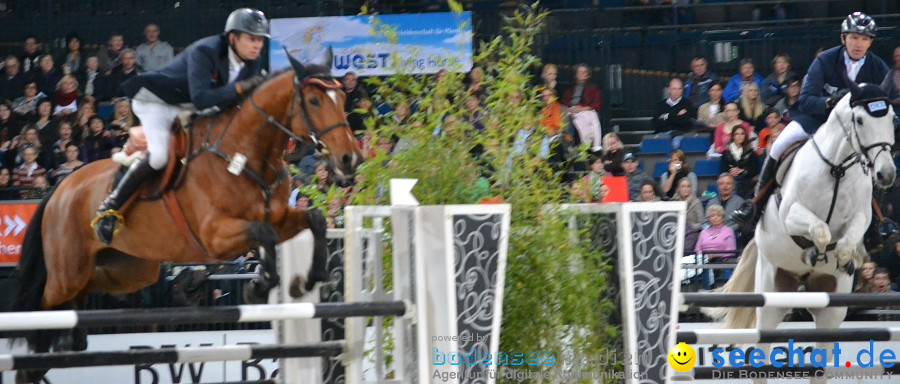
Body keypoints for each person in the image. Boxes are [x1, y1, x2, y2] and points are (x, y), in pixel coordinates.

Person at [92, 8, 270, 244]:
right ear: (232, 37)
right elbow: (202, 98)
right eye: (251, 38)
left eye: (259, 40)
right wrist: (240, 88)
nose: (257, 45)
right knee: (159, 157)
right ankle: (109, 207)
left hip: (188, 107)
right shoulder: (205, 51)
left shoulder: (251, 61)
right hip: (156, 101)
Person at [734, 12, 898, 229]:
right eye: (854, 38)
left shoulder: (878, 67)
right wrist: (830, 102)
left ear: (870, 42)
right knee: (781, 143)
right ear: (843, 38)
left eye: (864, 39)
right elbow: (806, 100)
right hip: (817, 122)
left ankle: (879, 222)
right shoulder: (824, 61)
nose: (859, 44)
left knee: (879, 158)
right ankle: (756, 204)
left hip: (855, 132)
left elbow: (890, 100)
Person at [654, 77, 695, 149]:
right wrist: (675, 115)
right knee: (643, 144)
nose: (677, 91)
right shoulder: (660, 105)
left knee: (675, 144)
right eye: (674, 89)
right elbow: (655, 123)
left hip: (679, 134)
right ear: (669, 89)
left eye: (679, 89)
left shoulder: (687, 104)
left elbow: (682, 121)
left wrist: (666, 116)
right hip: (662, 133)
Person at [721, 125, 758, 199]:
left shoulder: (751, 153)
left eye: (742, 134)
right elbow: (722, 170)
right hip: (731, 180)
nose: (740, 136)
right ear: (733, 136)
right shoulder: (726, 153)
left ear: (745, 136)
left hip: (746, 182)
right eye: (737, 134)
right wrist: (731, 172)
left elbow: (755, 170)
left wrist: (742, 171)